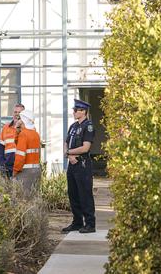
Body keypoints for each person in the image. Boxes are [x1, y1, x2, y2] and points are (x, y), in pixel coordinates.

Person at [62, 99, 96, 234]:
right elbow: (66, 142)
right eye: (74, 110)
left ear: (83, 112)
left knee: (85, 194)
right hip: (72, 163)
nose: (74, 112)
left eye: (76, 110)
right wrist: (68, 155)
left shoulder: (88, 126)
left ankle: (90, 224)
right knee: (73, 193)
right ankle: (77, 222)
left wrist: (70, 152)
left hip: (82, 164)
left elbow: (85, 147)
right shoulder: (73, 126)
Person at [13, 110, 41, 192]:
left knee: (23, 199)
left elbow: (20, 156)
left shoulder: (24, 134)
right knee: (33, 198)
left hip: (25, 172)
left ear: (23, 120)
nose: (18, 120)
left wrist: (15, 170)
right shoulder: (36, 134)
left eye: (19, 118)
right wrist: (17, 130)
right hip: (36, 170)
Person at [0, 104, 24, 178]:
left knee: (20, 189)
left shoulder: (26, 128)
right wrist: (2, 163)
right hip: (8, 166)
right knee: (7, 188)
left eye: (19, 113)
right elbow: (0, 147)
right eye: (15, 112)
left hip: (22, 167)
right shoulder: (6, 128)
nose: (17, 114)